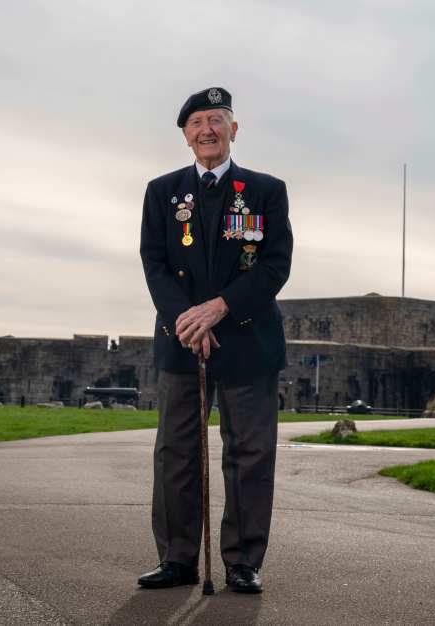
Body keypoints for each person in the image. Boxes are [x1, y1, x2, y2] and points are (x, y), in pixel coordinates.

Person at [137, 87, 293, 594]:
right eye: (197, 121)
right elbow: (154, 263)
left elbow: (274, 265)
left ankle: (244, 560)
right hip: (182, 341)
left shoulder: (266, 190)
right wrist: (188, 320)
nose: (207, 129)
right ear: (185, 135)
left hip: (248, 341)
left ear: (234, 129)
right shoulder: (162, 192)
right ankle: (178, 558)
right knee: (176, 454)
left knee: (250, 454)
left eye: (217, 119)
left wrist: (219, 309)